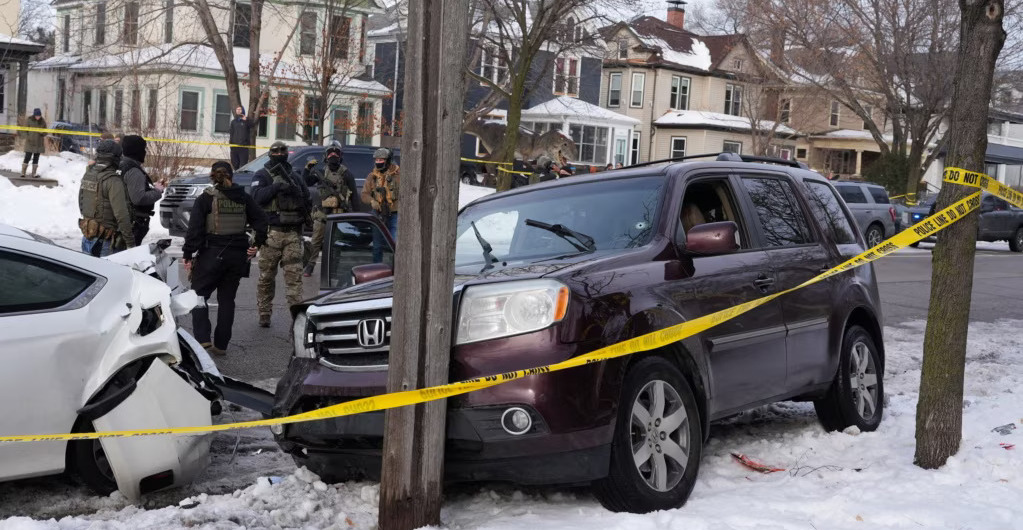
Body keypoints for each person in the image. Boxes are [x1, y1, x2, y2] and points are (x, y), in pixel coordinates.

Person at [182, 161, 268, 354]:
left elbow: (194, 230)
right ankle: (221, 344)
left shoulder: (205, 199)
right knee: (227, 299)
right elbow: (262, 221)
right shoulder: (244, 198)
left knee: (198, 295)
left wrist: (188, 254)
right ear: (232, 176)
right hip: (237, 255)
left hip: (211, 254)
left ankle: (203, 339)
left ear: (212, 176)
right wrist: (256, 245)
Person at [251, 141, 311, 328]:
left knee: (294, 278)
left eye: (283, 151)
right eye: (275, 152)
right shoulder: (262, 175)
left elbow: (306, 199)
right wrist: (276, 187)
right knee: (266, 277)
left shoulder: (295, 177)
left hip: (293, 234)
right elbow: (256, 198)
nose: (280, 154)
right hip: (271, 234)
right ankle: (264, 312)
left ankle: (297, 316)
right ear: (270, 155)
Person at [303, 142, 361, 276]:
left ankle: (333, 270)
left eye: (336, 153)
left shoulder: (346, 174)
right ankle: (310, 267)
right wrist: (307, 169)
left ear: (341, 156)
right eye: (330, 153)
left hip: (339, 215)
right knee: (315, 242)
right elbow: (306, 182)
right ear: (325, 156)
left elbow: (354, 197)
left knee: (336, 245)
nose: (333, 155)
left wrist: (357, 216)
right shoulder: (321, 172)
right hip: (322, 215)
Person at [78, 140, 135, 257]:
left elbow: (81, 203)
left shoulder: (88, 175)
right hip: (105, 242)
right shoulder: (113, 180)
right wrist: (130, 243)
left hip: (88, 237)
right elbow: (121, 214)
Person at [121, 135, 165, 246]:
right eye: (143, 149)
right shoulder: (133, 170)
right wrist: (157, 191)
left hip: (125, 219)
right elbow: (139, 198)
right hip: (134, 221)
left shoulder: (121, 164)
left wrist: (148, 187)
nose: (145, 152)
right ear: (137, 151)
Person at [361, 147, 399, 263]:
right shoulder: (371, 176)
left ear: (388, 160)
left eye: (381, 160)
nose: (378, 162)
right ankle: (377, 270)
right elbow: (364, 195)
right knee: (377, 247)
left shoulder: (398, 175)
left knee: (395, 244)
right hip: (378, 214)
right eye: (377, 160)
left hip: (394, 214)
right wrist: (372, 201)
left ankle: (397, 271)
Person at [21, 108, 46, 178]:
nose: (38, 117)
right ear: (34, 115)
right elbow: (24, 130)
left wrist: (42, 132)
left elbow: (46, 132)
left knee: (36, 158)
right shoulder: (29, 120)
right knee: (27, 157)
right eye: (37, 116)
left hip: (39, 143)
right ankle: (23, 172)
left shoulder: (43, 121)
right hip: (30, 142)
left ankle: (34, 173)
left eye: (39, 116)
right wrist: (27, 137)